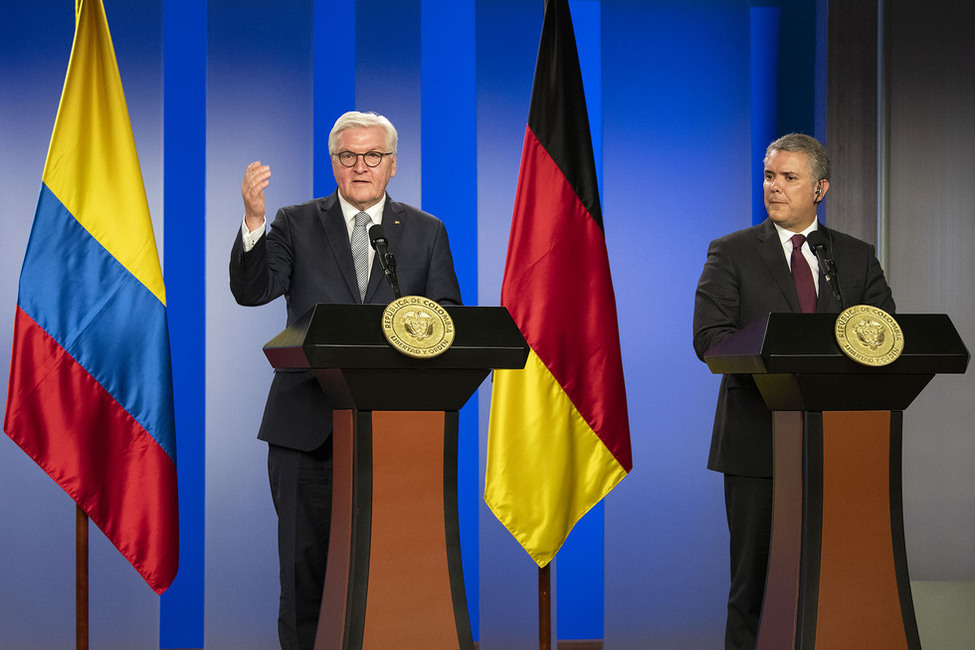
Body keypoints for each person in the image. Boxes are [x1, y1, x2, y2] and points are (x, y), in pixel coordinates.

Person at [230, 110, 462, 650]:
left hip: (396, 439)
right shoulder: (292, 221)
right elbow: (254, 290)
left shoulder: (426, 232)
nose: (361, 166)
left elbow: (447, 317)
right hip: (306, 433)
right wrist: (252, 222)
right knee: (304, 579)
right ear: (333, 165)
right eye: (348, 156)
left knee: (391, 581)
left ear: (393, 165)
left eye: (373, 156)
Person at [692, 133, 895, 649]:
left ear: (820, 188)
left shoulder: (854, 257)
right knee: (754, 588)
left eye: (789, 177)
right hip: (757, 445)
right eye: (769, 176)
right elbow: (710, 340)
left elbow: (886, 335)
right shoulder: (732, 252)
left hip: (838, 449)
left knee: (834, 584)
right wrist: (781, 359)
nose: (775, 188)